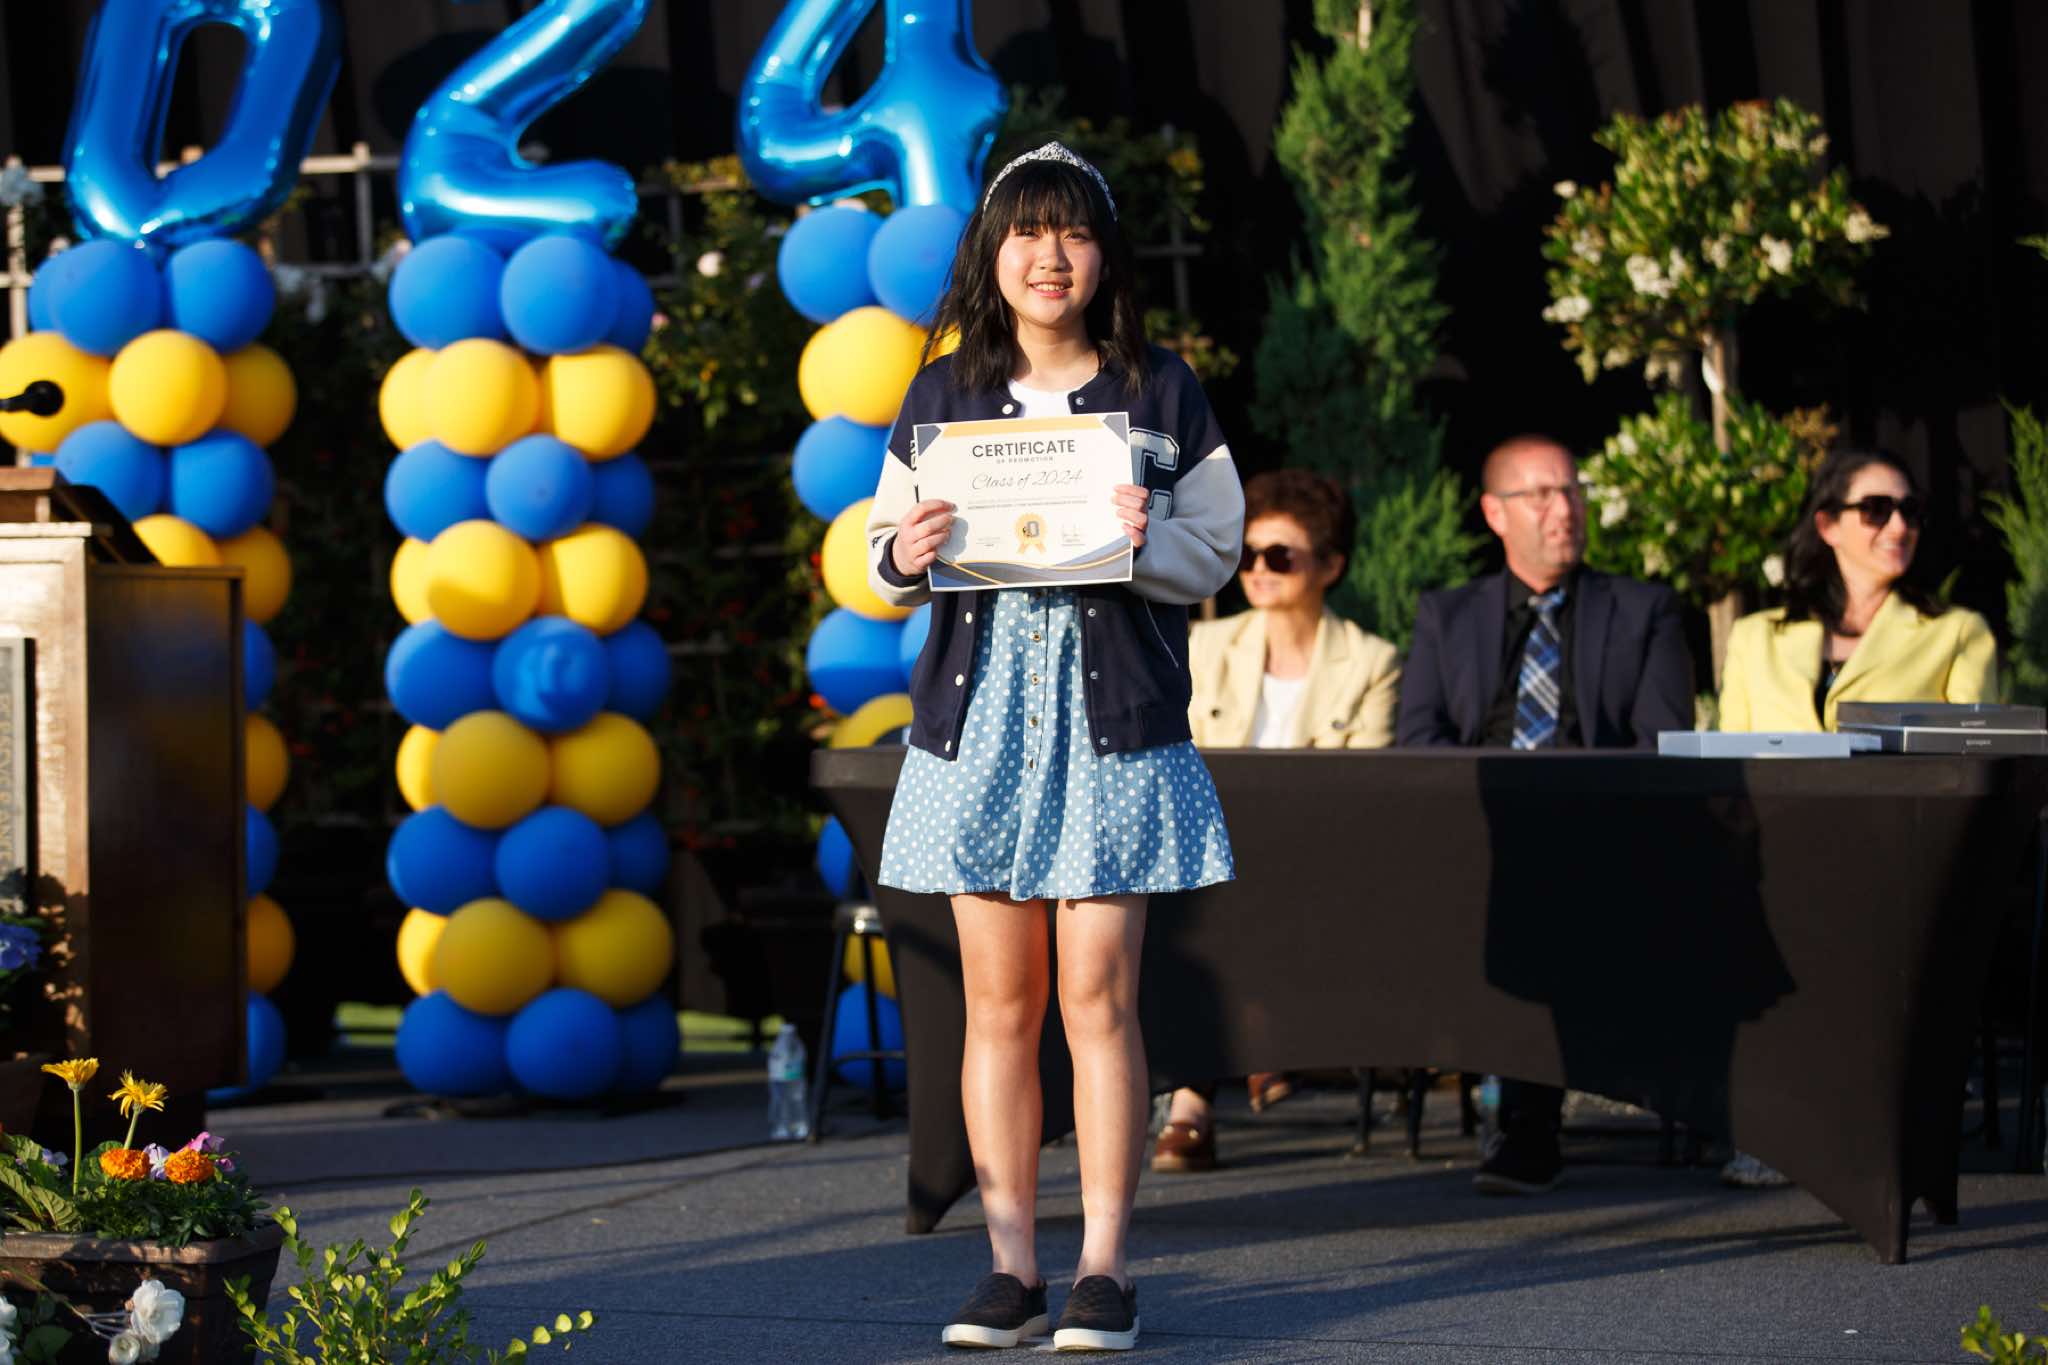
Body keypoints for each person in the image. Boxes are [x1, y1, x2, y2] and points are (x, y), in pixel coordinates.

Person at [865, 142, 1243, 1352]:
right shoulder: (941, 391)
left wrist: (1146, 537)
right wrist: (903, 553)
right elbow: (882, 555)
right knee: (998, 1002)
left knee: (1097, 998)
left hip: (1109, 720)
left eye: (1071, 232)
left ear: (1103, 254)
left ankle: (1104, 1272)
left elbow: (1217, 545)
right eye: (1026, 232)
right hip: (977, 723)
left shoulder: (1159, 387)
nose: (1048, 255)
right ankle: (1008, 1268)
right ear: (991, 251)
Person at [1397, 433, 1694, 1195]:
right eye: (1540, 494)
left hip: (1603, 834)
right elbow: (1419, 741)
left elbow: (1662, 746)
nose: (1564, 509)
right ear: (1496, 513)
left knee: (1549, 880)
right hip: (1477, 833)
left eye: (1572, 491)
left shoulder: (1644, 611)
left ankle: (1528, 1125)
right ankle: (1522, 1114)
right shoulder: (1447, 615)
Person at [1715, 446, 1994, 1188]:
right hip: (1778, 850)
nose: (1898, 526)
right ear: (1828, 524)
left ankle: (1844, 1121)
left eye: (1910, 511)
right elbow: (1729, 763)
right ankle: (1778, 1123)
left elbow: (1971, 764)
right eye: (1877, 510)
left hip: (1897, 850)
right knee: (1749, 887)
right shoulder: (1758, 636)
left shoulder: (1956, 632)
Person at [1151, 468, 1400, 1174]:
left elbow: (1363, 794)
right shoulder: (1205, 645)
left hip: (1318, 860)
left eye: (1280, 556)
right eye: (1249, 554)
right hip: (1211, 851)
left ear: (1330, 566)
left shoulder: (1372, 661)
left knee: (1247, 898)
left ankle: (1197, 1098)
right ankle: (1248, 1057)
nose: (1258, 569)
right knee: (1203, 899)